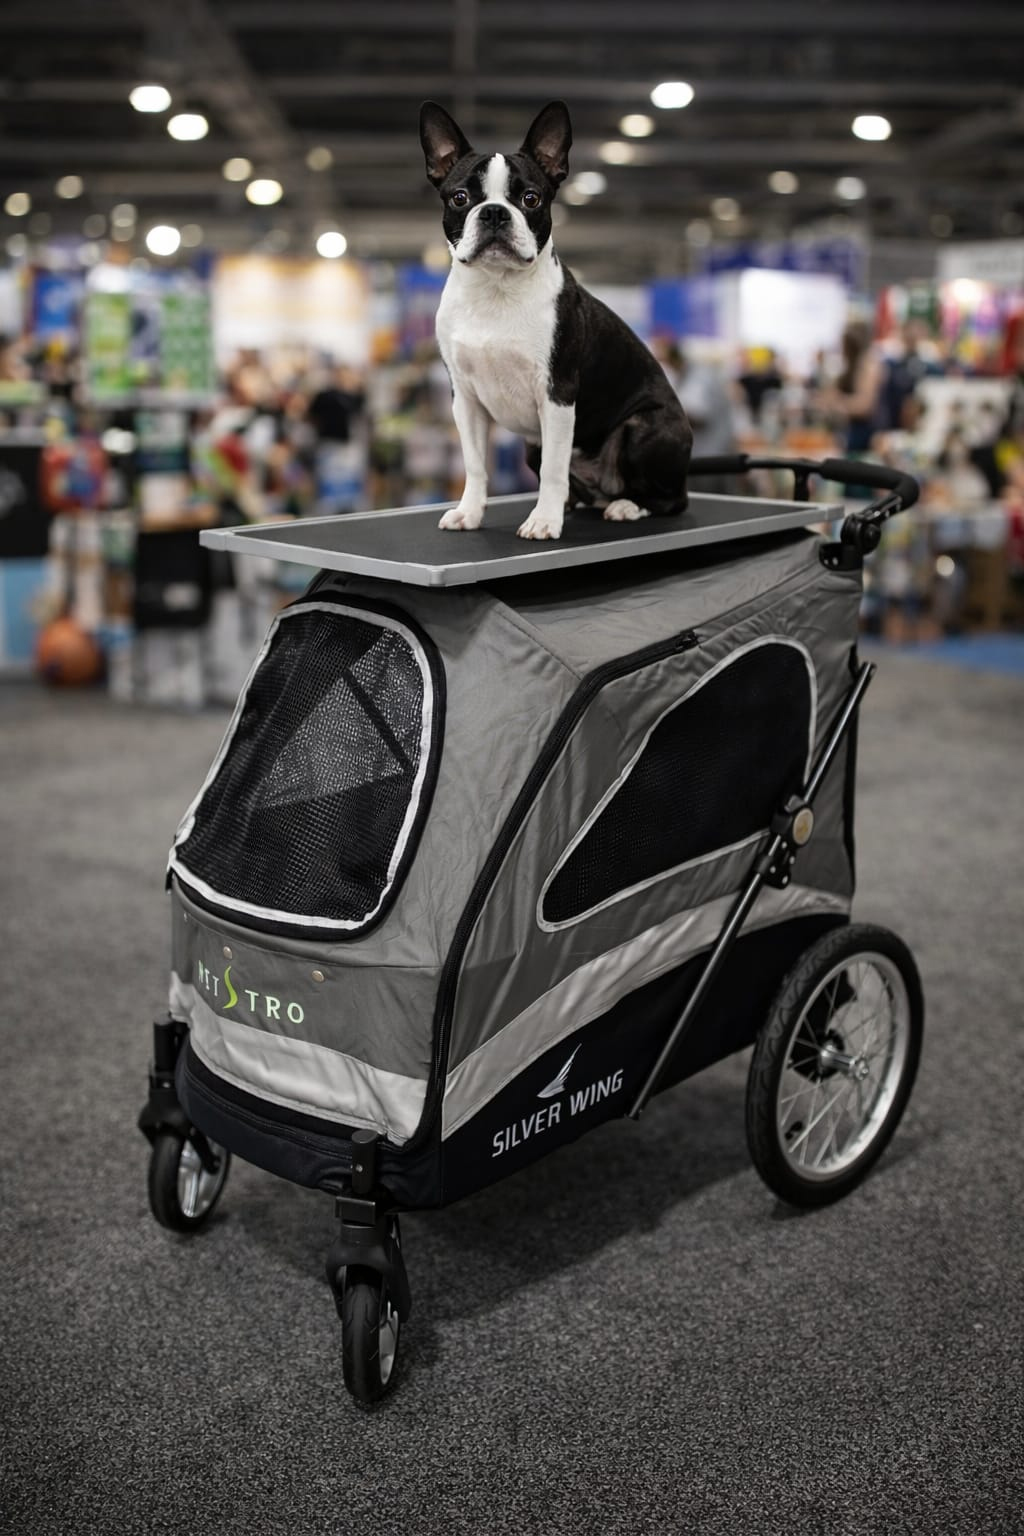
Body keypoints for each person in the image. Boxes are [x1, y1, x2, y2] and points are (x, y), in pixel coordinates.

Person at [817, 321, 885, 455]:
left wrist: (837, 402)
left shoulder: (868, 366)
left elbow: (864, 406)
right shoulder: (851, 366)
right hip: (852, 431)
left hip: (866, 434)